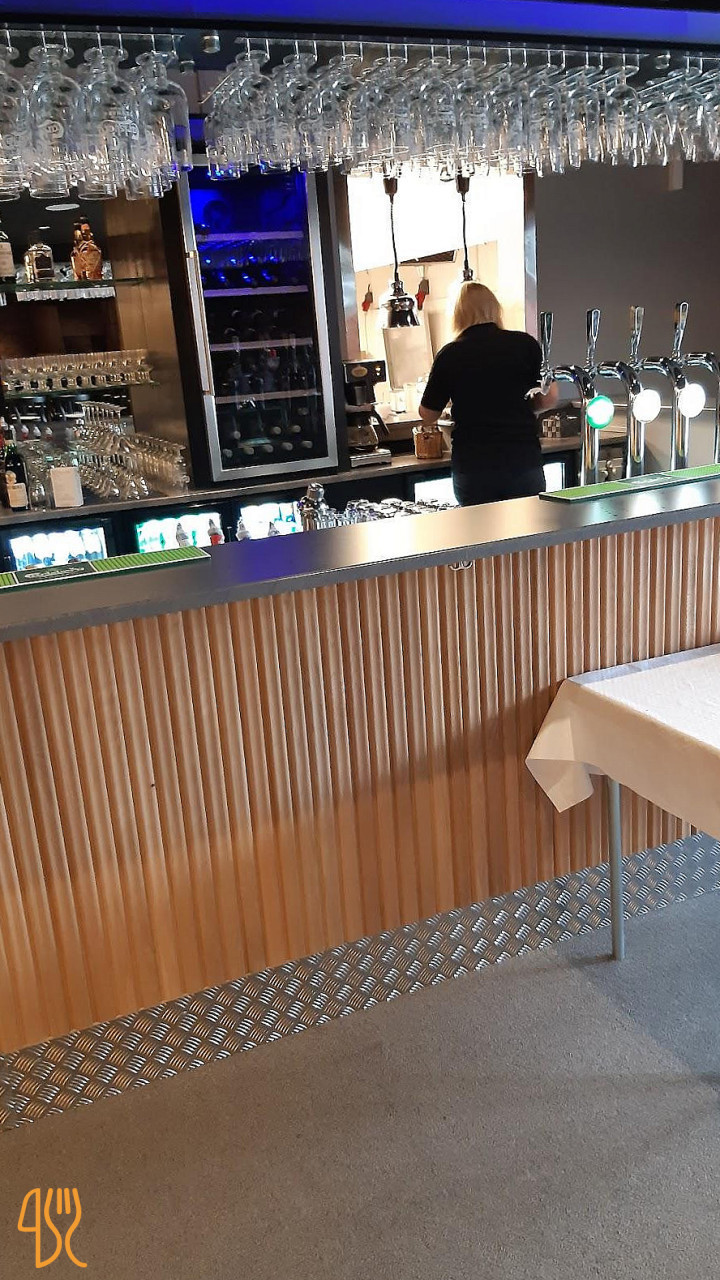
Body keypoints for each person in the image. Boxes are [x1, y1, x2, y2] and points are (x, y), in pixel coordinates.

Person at [419, 281, 558, 506]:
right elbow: (549, 397)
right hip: (523, 461)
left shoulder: (450, 354)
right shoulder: (525, 344)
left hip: (475, 468)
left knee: (481, 527)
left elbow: (428, 414)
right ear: (495, 308)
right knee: (528, 526)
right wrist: (518, 406)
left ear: (457, 315)